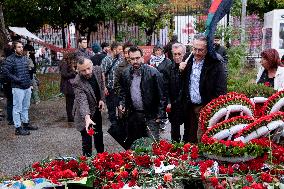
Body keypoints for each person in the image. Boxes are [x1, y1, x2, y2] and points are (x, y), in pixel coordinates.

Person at [179, 34, 227, 143]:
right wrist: (180, 71)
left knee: (203, 139)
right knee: (190, 139)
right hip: (190, 106)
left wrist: (212, 108)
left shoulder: (215, 62)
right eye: (194, 49)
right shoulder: (188, 58)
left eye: (200, 50)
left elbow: (221, 89)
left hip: (206, 107)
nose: (196, 52)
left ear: (207, 49)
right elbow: (182, 83)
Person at [118, 46, 165, 149]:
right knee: (136, 146)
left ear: (142, 57)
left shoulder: (153, 73)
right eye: (132, 59)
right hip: (134, 115)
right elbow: (122, 92)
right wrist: (121, 103)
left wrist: (160, 115)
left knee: (153, 147)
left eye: (137, 58)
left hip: (151, 116)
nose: (135, 61)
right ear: (128, 59)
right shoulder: (125, 73)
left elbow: (162, 95)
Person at [3, 40, 38, 135]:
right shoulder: (10, 59)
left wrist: (30, 83)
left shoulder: (24, 58)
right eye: (19, 47)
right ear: (14, 49)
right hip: (17, 87)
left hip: (27, 86)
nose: (21, 48)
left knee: (25, 107)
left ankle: (26, 124)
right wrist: (16, 79)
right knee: (17, 108)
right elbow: (6, 73)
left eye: (22, 47)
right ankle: (18, 128)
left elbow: (28, 72)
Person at [73, 57, 105, 156]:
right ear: (78, 70)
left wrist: (102, 99)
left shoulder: (98, 70)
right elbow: (82, 101)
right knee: (87, 141)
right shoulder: (77, 82)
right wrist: (87, 118)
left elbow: (101, 85)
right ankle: (87, 164)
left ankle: (101, 158)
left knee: (99, 136)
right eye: (83, 70)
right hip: (83, 113)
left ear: (91, 66)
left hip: (96, 109)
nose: (87, 72)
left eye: (88, 69)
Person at [165, 43, 187, 142]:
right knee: (174, 131)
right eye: (175, 54)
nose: (177, 57)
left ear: (184, 54)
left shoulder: (189, 66)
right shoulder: (169, 67)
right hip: (174, 103)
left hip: (186, 103)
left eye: (179, 54)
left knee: (188, 130)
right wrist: (168, 102)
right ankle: (175, 148)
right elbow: (166, 87)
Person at [148, 44, 172, 129]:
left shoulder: (167, 61)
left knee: (163, 103)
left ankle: (162, 120)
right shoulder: (150, 60)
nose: (158, 52)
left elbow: (169, 75)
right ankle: (156, 118)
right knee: (155, 102)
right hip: (153, 86)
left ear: (162, 51)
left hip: (164, 86)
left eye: (159, 50)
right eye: (156, 50)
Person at [101, 42, 123, 128]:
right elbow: (102, 73)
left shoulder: (121, 59)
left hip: (119, 87)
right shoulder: (106, 60)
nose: (121, 51)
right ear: (114, 50)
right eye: (119, 49)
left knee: (120, 104)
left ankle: (121, 121)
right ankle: (113, 123)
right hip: (110, 87)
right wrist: (104, 87)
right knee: (111, 106)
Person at [59, 52, 77, 122]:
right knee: (69, 102)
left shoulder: (67, 63)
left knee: (71, 101)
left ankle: (71, 115)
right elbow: (64, 74)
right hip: (67, 86)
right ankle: (70, 117)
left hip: (69, 85)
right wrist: (74, 73)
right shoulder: (65, 63)